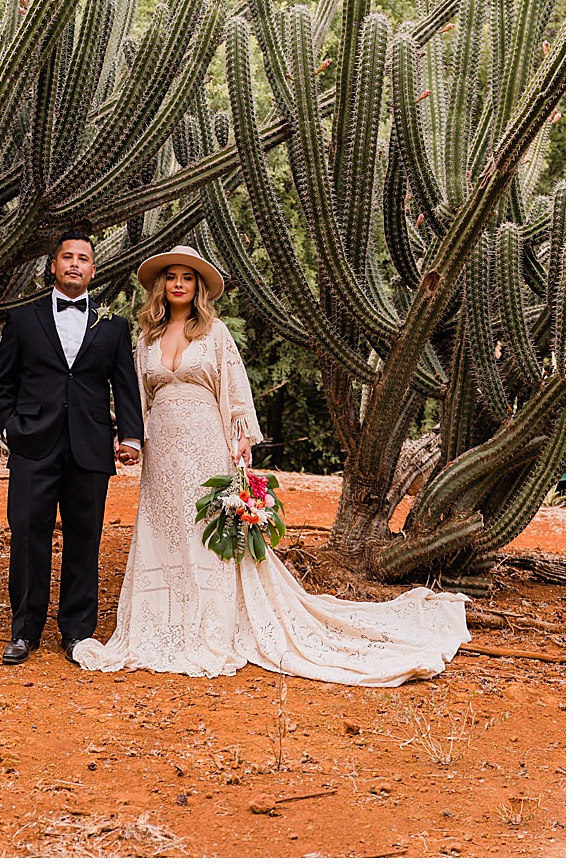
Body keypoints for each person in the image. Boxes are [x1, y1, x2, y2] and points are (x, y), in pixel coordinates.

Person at [73, 246, 470, 684]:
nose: (179, 283)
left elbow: (237, 391)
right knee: (164, 529)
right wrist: (131, 437)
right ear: (162, 286)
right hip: (162, 449)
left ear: (198, 287)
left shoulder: (215, 333)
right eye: (171, 277)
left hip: (206, 441)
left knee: (205, 532)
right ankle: (162, 620)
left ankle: (211, 624)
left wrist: (240, 441)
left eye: (187, 277)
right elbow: (138, 398)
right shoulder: (146, 338)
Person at [0, 231, 142, 665]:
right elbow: (4, 385)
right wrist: (14, 430)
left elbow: (124, 386)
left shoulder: (113, 325)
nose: (74, 264)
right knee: (28, 536)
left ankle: (77, 634)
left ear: (94, 270)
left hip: (89, 447)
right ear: (53, 266)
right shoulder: (23, 318)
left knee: (84, 540)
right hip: (34, 445)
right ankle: (24, 631)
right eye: (67, 257)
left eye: (83, 258)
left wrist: (130, 437)